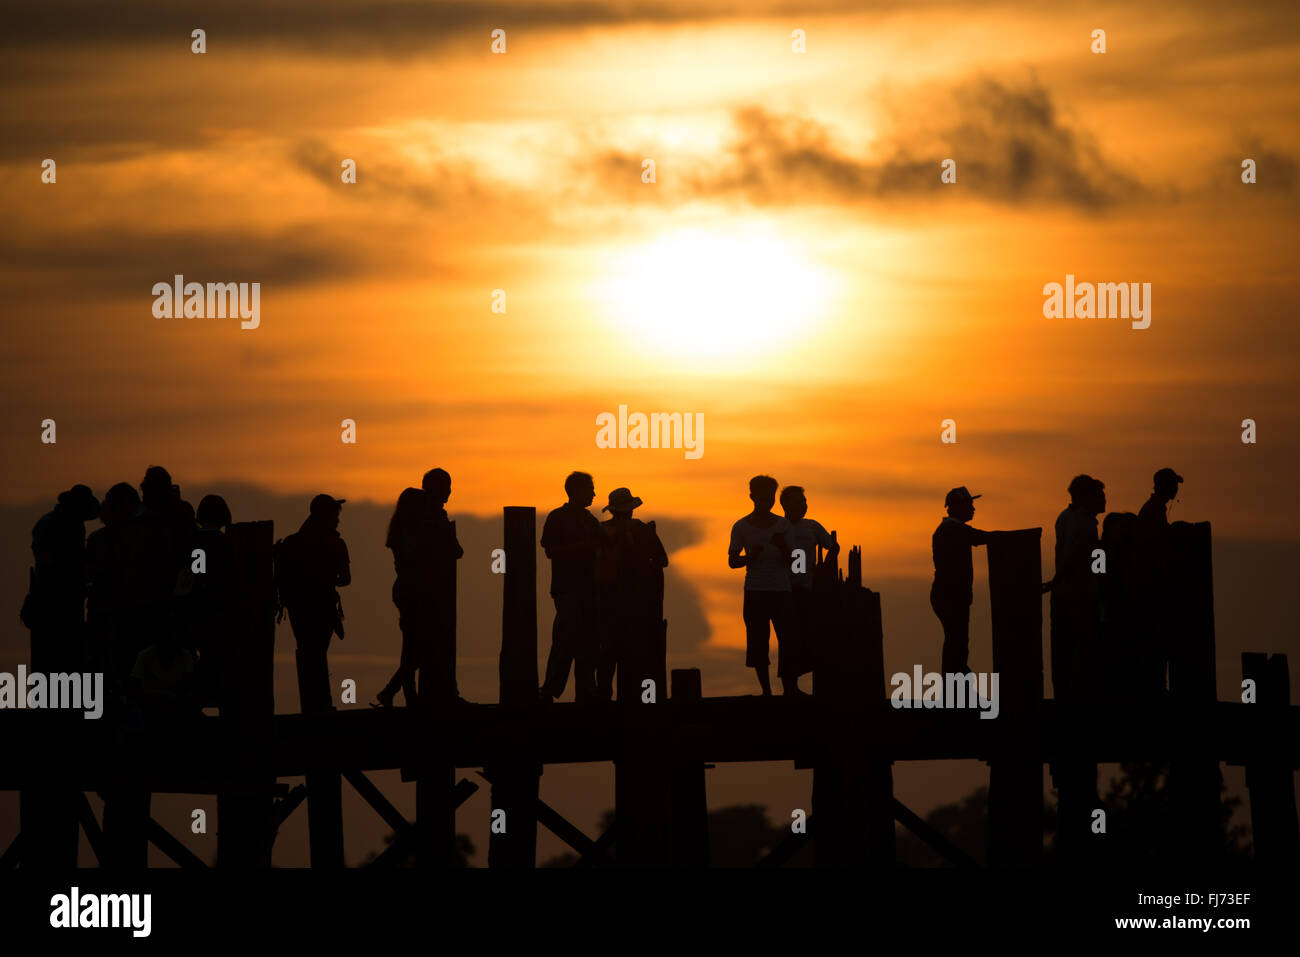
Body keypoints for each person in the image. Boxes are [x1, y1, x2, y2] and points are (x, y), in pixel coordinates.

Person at [276, 494, 351, 713]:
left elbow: (282, 578)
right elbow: (345, 579)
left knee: (306, 651)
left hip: (298, 609)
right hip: (324, 608)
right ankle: (322, 704)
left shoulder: (291, 543)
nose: (338, 520)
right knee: (318, 652)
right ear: (326, 516)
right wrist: (328, 581)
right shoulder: (336, 543)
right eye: (335, 515)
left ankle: (311, 703)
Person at [728, 475, 801, 695]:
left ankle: (791, 689)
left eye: (770, 497)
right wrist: (750, 557)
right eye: (763, 497)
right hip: (755, 591)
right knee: (758, 643)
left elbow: (797, 564)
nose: (767, 501)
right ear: (752, 497)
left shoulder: (783, 524)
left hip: (781, 590)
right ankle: (766, 691)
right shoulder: (741, 526)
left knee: (788, 640)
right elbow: (733, 561)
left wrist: (783, 547)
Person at [596, 487, 668, 702]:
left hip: (606, 601)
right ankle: (633, 699)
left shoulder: (600, 531)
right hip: (637, 604)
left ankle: (603, 697)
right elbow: (662, 561)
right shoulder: (642, 529)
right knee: (633, 653)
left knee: (606, 653)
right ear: (631, 510)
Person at [539, 472, 603, 703]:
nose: (594, 494)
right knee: (565, 639)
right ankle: (549, 690)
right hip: (568, 589)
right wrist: (582, 547)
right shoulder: (558, 517)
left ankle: (586, 691)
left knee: (590, 641)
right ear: (576, 491)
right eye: (590, 489)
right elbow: (550, 550)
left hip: (589, 589)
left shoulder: (590, 520)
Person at [24, 484, 100, 676]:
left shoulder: (70, 524)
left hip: (67, 599)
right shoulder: (51, 525)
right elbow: (47, 562)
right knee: (53, 658)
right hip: (52, 600)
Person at [1045, 475, 1106, 703]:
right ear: (1084, 497)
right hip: (1079, 596)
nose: (1103, 500)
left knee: (1063, 653)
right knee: (1082, 651)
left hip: (1066, 593)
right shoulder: (1085, 523)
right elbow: (1078, 556)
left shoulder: (1064, 517)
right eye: (1099, 495)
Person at [929, 487, 990, 679]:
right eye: (969, 504)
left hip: (949, 595)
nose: (973, 509)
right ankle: (956, 686)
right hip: (951, 596)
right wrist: (1007, 538)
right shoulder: (952, 530)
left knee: (956, 640)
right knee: (957, 641)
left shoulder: (950, 529)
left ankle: (957, 684)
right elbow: (981, 537)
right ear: (958, 507)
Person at [85, 482, 141, 686]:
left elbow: (88, 573)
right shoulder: (138, 538)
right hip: (124, 610)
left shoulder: (97, 539)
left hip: (110, 610)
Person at [780, 485, 838, 681]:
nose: (803, 505)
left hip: (807, 589)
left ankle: (813, 682)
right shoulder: (777, 527)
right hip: (784, 591)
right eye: (798, 501)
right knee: (789, 639)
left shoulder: (812, 526)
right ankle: (790, 685)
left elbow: (833, 546)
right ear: (784, 504)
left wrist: (824, 569)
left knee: (810, 635)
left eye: (804, 501)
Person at [1135, 468, 1184, 694]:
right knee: (1155, 642)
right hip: (1152, 590)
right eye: (1173, 484)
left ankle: (1155, 686)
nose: (1176, 489)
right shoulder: (1153, 511)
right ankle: (1155, 688)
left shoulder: (1155, 509)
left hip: (1153, 588)